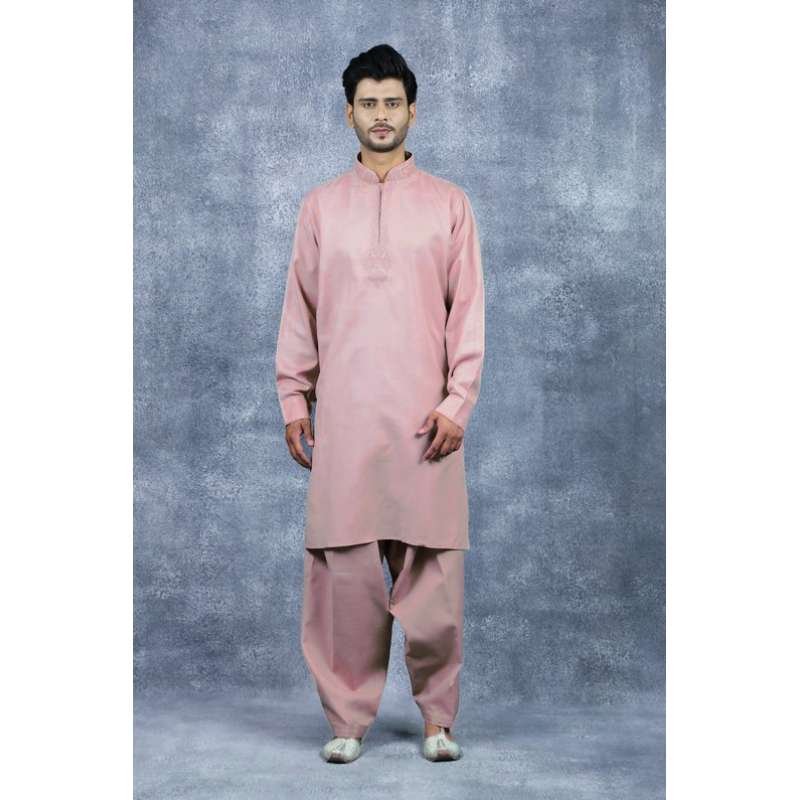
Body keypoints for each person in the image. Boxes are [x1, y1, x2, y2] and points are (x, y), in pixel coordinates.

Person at [275, 43, 485, 763]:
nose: (381, 114)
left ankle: (438, 722)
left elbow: (468, 313)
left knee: (435, 582)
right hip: (347, 421)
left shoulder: (449, 204)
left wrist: (458, 402)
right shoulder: (321, 207)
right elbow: (299, 310)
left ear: (412, 111)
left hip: (428, 424)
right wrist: (293, 398)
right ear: (350, 114)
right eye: (368, 103)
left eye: (393, 102)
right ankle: (346, 721)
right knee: (344, 579)